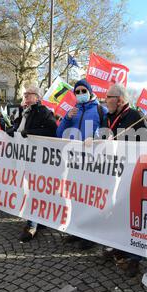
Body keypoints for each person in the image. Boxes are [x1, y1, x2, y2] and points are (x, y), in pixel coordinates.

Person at [99, 83, 147, 277]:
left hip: (132, 172)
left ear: (119, 100)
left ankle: (135, 258)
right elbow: (102, 138)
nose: (105, 100)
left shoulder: (135, 117)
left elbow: (144, 145)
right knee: (116, 211)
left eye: (108, 97)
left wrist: (120, 145)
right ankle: (118, 247)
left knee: (133, 214)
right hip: (113, 171)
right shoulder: (107, 116)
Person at [56, 79, 108, 250]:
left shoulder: (101, 110)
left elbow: (108, 132)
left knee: (90, 198)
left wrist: (96, 136)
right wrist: (65, 119)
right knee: (75, 196)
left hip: (93, 162)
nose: (79, 94)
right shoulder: (73, 111)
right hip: (74, 161)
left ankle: (90, 235)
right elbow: (59, 134)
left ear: (90, 91)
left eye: (82, 91)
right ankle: (77, 230)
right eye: (76, 92)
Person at [7, 85, 58, 243]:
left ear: (37, 97)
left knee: (32, 190)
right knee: (27, 188)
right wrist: (12, 130)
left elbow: (51, 130)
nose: (26, 97)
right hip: (24, 156)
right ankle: (39, 220)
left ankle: (31, 225)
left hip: (36, 158)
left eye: (29, 94)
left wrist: (30, 133)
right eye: (25, 94)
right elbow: (17, 126)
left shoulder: (43, 111)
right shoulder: (24, 111)